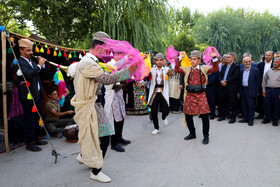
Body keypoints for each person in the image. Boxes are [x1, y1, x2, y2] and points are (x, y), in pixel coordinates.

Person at [70, 31, 138, 183]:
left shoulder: (90, 61)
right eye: (106, 48)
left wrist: (126, 64)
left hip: (93, 104)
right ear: (99, 46)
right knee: (105, 135)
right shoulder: (89, 63)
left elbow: (109, 69)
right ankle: (96, 170)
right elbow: (108, 78)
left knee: (92, 134)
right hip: (91, 106)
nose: (108, 52)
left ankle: (84, 156)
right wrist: (131, 69)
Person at [175, 50, 219, 144]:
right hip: (189, 95)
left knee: (204, 116)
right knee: (188, 115)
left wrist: (214, 58)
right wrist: (179, 58)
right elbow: (176, 69)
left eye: (194, 59)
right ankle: (192, 133)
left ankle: (206, 136)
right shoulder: (187, 69)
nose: (192, 61)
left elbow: (215, 69)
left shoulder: (204, 68)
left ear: (199, 60)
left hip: (201, 95)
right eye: (191, 59)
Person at [16, 38, 48, 152]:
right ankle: (30, 142)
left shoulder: (33, 62)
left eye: (31, 50)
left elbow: (42, 74)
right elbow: (28, 74)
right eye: (28, 50)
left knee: (37, 117)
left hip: (37, 94)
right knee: (29, 119)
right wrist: (39, 66)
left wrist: (42, 65)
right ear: (21, 51)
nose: (31, 53)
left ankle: (37, 138)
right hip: (28, 96)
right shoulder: (19, 62)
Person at [147, 53, 173, 135]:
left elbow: (173, 72)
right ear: (155, 61)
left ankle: (164, 117)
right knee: (154, 111)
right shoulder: (152, 70)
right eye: (157, 60)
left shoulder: (166, 70)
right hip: (154, 92)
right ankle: (156, 128)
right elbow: (145, 75)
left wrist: (170, 65)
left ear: (163, 61)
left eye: (160, 60)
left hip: (163, 92)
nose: (159, 62)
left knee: (166, 109)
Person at [238, 57, 261, 126]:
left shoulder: (255, 70)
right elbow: (239, 82)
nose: (248, 63)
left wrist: (257, 91)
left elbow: (258, 82)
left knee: (251, 106)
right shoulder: (241, 71)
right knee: (243, 105)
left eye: (249, 61)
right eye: (246, 62)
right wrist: (238, 92)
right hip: (243, 89)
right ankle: (245, 118)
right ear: (243, 63)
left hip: (251, 90)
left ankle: (251, 120)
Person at [218, 52, 240, 124]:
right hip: (222, 87)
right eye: (226, 57)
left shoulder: (236, 66)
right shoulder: (224, 66)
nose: (226, 58)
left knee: (232, 103)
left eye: (228, 57)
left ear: (233, 58)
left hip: (231, 87)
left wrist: (226, 81)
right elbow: (220, 75)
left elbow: (235, 76)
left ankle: (233, 117)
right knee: (222, 102)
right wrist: (221, 81)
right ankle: (222, 116)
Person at [261, 58, 280, 126]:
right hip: (268, 90)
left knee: (276, 106)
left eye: (277, 62)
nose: (275, 63)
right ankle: (267, 119)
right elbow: (264, 81)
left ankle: (275, 120)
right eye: (274, 62)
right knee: (267, 105)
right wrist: (263, 90)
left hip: (277, 90)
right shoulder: (269, 71)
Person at [257, 51, 274, 120]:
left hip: (271, 85)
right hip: (262, 84)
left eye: (269, 55)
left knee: (271, 101)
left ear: (272, 56)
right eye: (266, 55)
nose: (267, 56)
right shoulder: (260, 64)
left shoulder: (275, 64)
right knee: (260, 100)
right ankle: (261, 114)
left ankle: (271, 115)